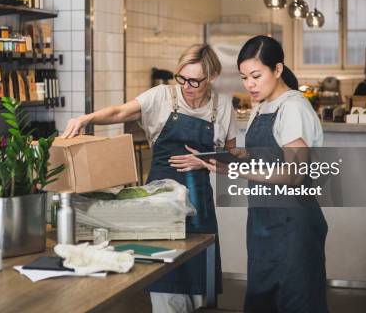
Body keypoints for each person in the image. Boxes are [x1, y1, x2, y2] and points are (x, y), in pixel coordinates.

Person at [61, 44, 237, 313]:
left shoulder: (222, 106)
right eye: (182, 78)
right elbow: (120, 112)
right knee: (164, 282)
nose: (186, 86)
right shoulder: (161, 97)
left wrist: (206, 161)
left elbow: (231, 158)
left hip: (200, 208)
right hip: (158, 207)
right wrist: (87, 118)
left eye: (195, 81)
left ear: (212, 78)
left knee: (200, 284)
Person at [203, 36, 328, 313]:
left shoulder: (293, 107)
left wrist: (239, 169)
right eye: (244, 77)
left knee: (296, 300)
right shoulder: (262, 106)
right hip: (263, 220)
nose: (249, 84)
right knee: (263, 300)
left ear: (278, 69)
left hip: (293, 222)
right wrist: (238, 156)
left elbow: (294, 174)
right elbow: (267, 153)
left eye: (256, 76)